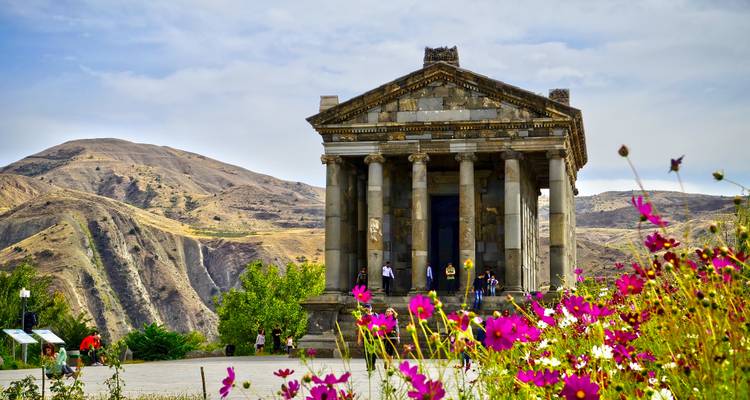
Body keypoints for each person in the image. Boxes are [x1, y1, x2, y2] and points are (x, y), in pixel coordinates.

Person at [358, 303, 377, 372]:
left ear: (371, 308)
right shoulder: (363, 317)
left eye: (368, 308)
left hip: (374, 335)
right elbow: (360, 328)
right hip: (366, 335)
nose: (367, 309)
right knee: (366, 351)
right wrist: (359, 338)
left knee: (374, 351)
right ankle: (368, 365)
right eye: (366, 308)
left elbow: (379, 324)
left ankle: (373, 364)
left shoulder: (375, 315)